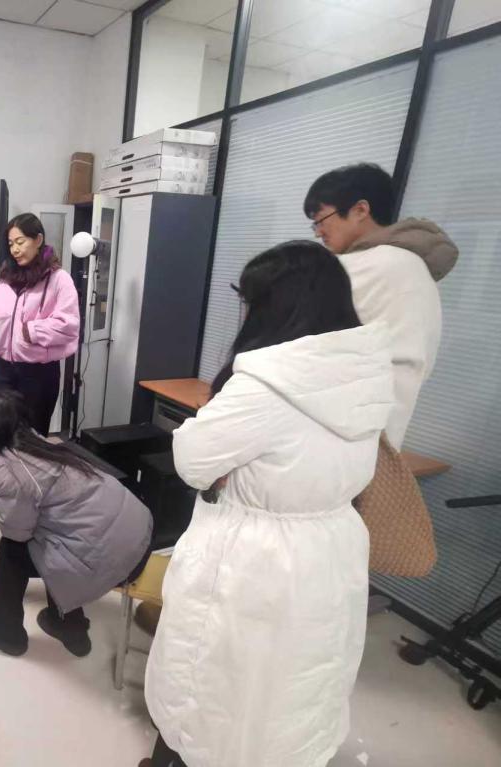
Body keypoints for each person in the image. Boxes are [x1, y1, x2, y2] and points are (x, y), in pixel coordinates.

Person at [141, 241, 393, 767]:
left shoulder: (266, 385)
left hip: (254, 558)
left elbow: (193, 461)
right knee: (291, 685)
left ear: (277, 309)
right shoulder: (365, 375)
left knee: (213, 686)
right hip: (330, 549)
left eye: (251, 303)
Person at [0, 390, 153, 658]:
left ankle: (4, 633)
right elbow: (2, 484)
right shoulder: (35, 444)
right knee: (56, 532)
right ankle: (70, 627)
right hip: (139, 538)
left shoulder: (13, 470)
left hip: (113, 560)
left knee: (13, 551)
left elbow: (16, 529)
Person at [305, 162, 458, 449]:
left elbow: (294, 343)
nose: (318, 232)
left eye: (322, 219)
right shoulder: (415, 269)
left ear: (360, 210)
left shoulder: (360, 267)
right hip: (383, 429)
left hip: (336, 427)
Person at [0, 213, 80, 436]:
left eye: (20, 241)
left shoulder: (58, 279)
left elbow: (69, 325)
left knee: (32, 436)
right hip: (4, 369)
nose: (15, 249)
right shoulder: (5, 279)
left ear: (38, 240)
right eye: (11, 244)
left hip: (38, 373)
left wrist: (31, 331)